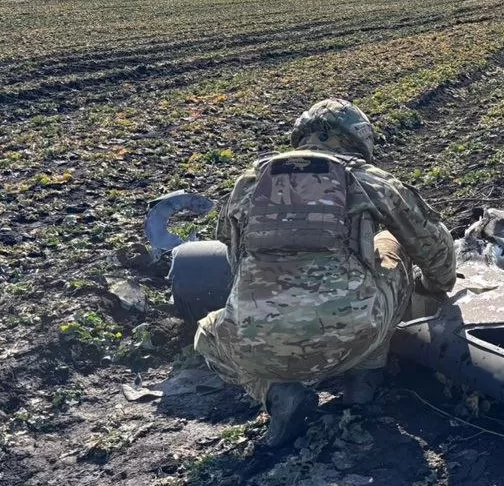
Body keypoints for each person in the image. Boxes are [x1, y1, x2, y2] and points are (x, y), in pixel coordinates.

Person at [194, 98, 456, 447]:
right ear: (358, 138)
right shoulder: (367, 179)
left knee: (207, 336)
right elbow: (432, 243)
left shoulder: (250, 181)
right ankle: (365, 374)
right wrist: (437, 285)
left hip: (257, 340)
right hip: (355, 331)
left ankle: (274, 392)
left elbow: (233, 254)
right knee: (392, 244)